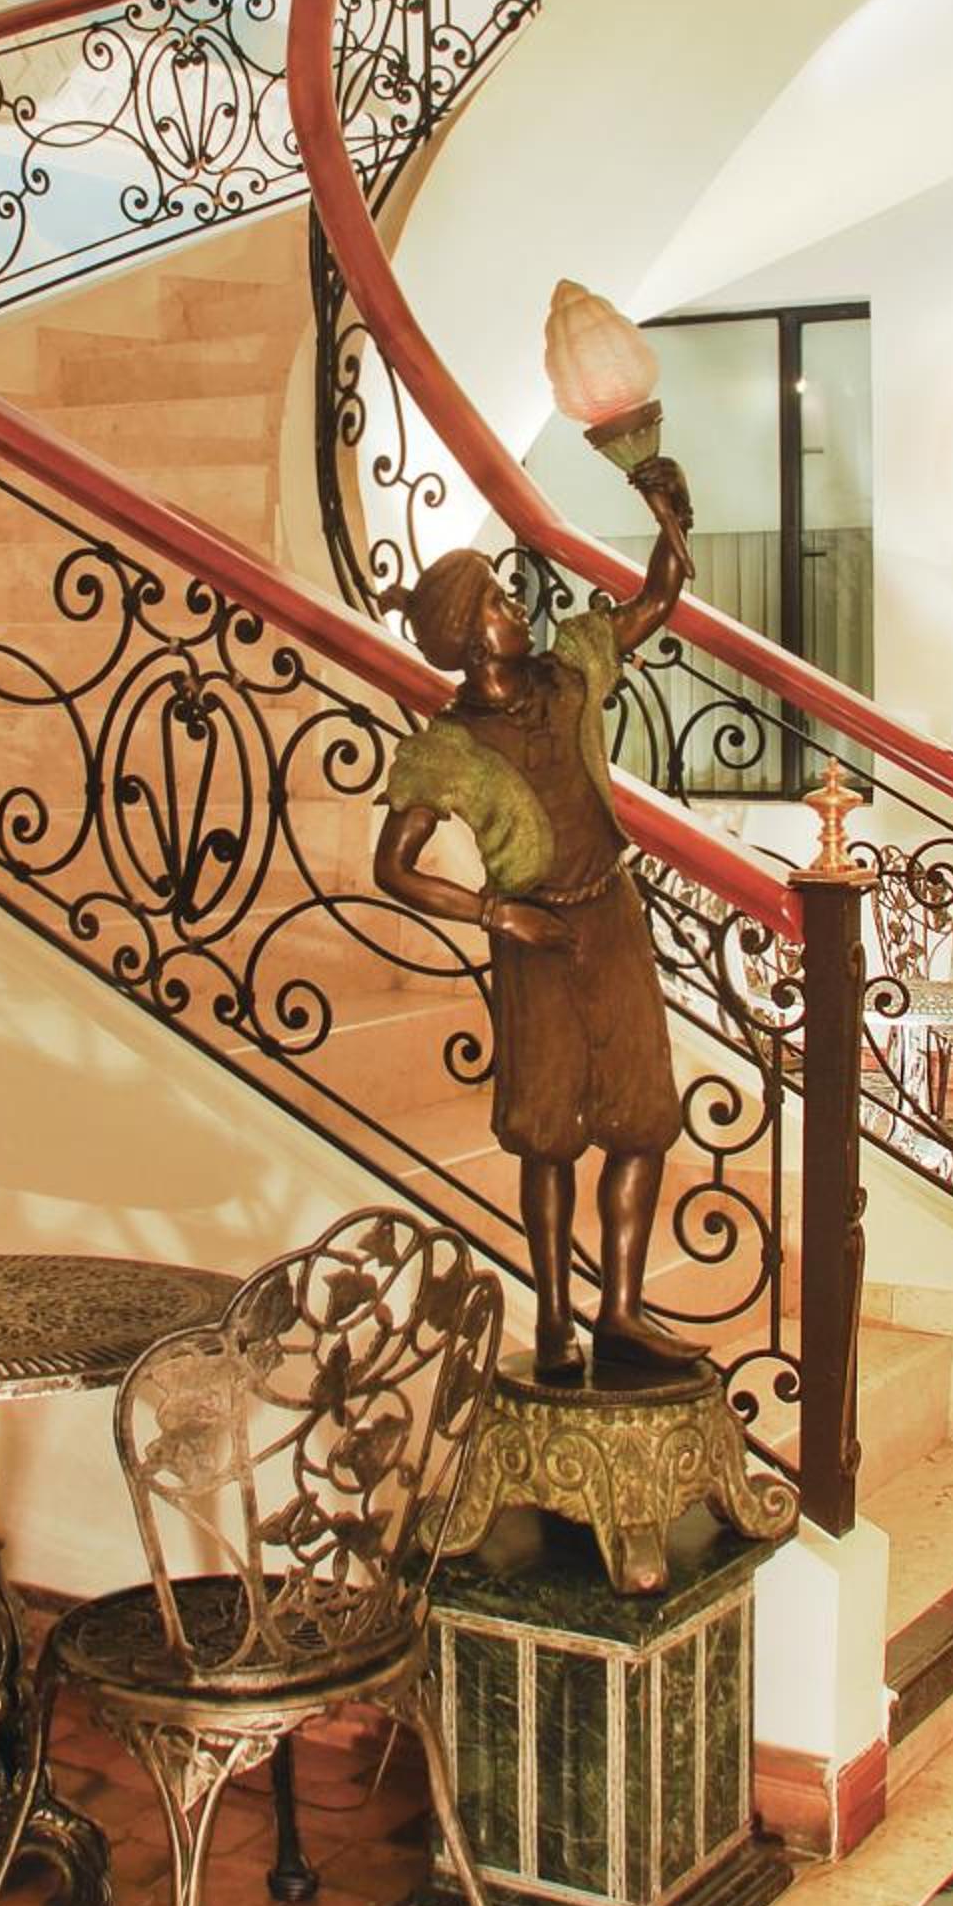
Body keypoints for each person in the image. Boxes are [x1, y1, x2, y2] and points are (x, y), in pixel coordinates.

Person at [373, 458, 702, 1382]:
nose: (516, 605)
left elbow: (658, 597)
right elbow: (392, 868)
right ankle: (555, 1319)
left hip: (613, 919)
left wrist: (669, 516)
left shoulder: (571, 674)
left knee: (642, 1121)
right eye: (496, 599)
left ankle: (622, 1311)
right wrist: (495, 914)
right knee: (547, 1133)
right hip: (537, 942)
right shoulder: (447, 747)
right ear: (465, 634)